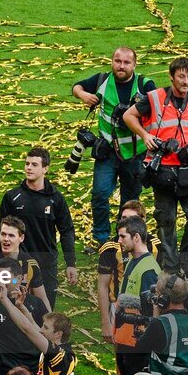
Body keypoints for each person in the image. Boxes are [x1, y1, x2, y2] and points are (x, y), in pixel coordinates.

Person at [123, 57, 188, 276]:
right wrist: (145, 135)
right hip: (162, 170)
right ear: (171, 76)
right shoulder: (154, 98)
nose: (186, 81)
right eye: (181, 76)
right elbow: (128, 115)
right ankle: (171, 267)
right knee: (166, 219)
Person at [71, 47, 156, 251]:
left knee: (130, 201)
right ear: (112, 62)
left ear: (134, 65)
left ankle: (124, 240)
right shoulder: (103, 80)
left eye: (126, 62)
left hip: (135, 154)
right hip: (108, 151)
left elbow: (158, 108)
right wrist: (83, 95)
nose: (121, 66)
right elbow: (76, 87)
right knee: (100, 194)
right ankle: (100, 239)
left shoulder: (145, 84)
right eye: (117, 61)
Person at [0, 147, 77, 308]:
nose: (28, 168)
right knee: (13, 306)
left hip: (46, 265)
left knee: (45, 309)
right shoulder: (12, 197)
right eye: (26, 164)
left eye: (34, 164)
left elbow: (66, 231)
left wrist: (71, 263)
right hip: (18, 265)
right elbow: (0, 230)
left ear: (45, 168)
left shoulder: (56, 199)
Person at [104, 214, 159, 375]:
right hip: (126, 338)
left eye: (122, 236)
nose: (119, 241)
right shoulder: (133, 262)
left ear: (136, 237)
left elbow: (151, 308)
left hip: (138, 342)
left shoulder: (148, 268)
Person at [0, 216, 48, 307]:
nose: (6, 239)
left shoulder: (30, 264)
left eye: (11, 235)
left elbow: (42, 298)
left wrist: (51, 320)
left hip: (20, 313)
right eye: (3, 234)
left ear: (21, 238)